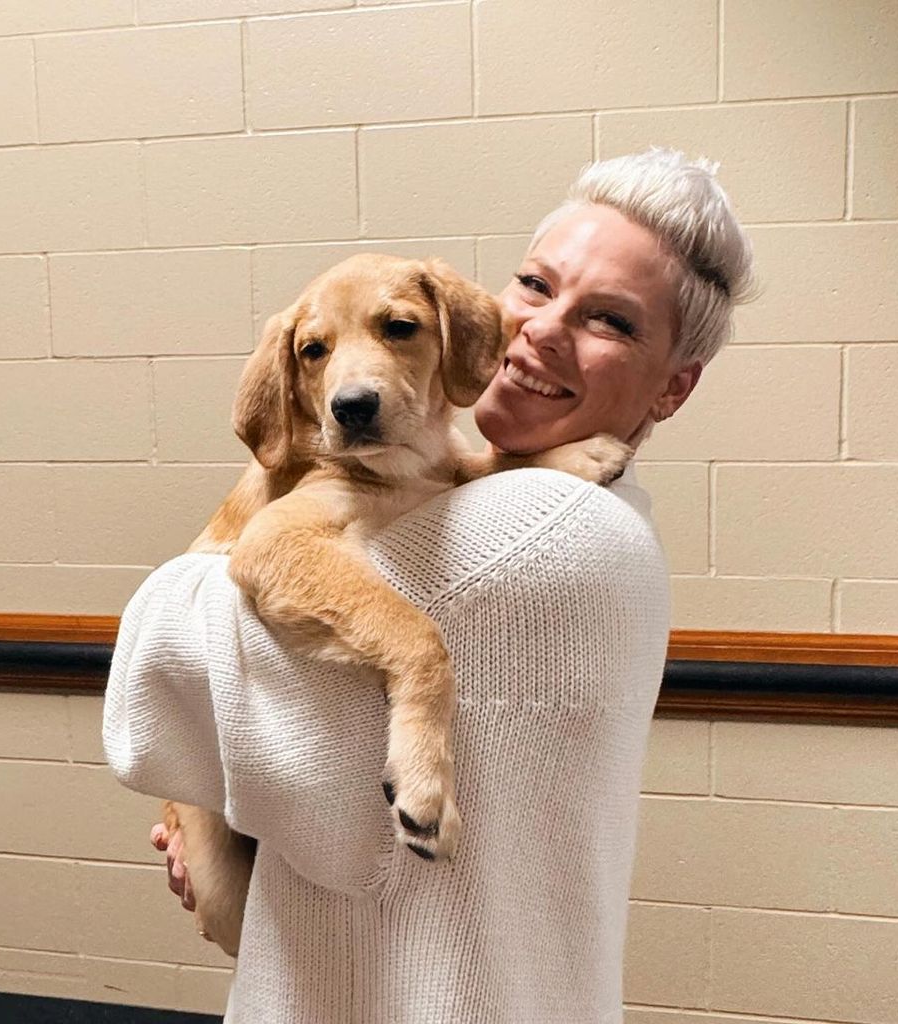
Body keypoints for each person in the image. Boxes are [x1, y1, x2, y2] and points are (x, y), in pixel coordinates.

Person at [104, 148, 755, 1024]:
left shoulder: (536, 539)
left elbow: (173, 711)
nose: (540, 329)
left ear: (673, 386)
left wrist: (201, 697)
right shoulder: (568, 497)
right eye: (533, 283)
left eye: (610, 321)